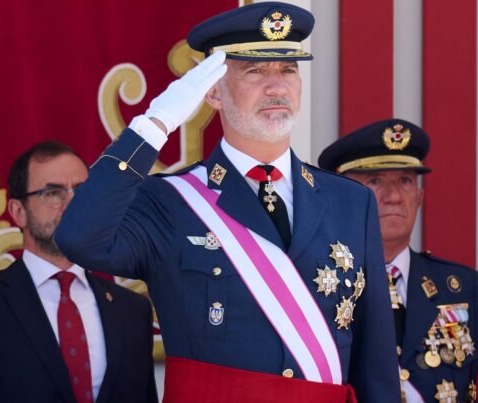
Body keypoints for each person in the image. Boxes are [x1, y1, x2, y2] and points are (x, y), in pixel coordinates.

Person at [55, 3, 399, 402]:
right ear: (213, 91)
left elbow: (375, 363)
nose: (277, 87)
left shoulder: (350, 202)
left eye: (288, 70)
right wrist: (153, 125)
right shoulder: (170, 201)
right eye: (255, 71)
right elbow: (79, 238)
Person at [319, 119, 478, 403]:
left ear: (419, 197)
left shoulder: (461, 287)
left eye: (405, 181)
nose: (394, 196)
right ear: (344, 197)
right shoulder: (319, 284)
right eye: (375, 181)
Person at [0, 141, 157, 403]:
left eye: (82, 191)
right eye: (53, 193)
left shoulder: (133, 310)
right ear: (18, 212)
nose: (71, 204)